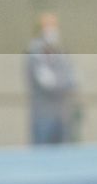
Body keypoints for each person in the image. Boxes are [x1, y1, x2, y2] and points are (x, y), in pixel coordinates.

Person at [26, 13, 81, 145]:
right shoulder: (34, 53)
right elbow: (47, 83)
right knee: (42, 160)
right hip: (43, 117)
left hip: (63, 116)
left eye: (54, 25)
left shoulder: (61, 52)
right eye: (48, 26)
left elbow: (74, 79)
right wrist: (65, 83)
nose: (52, 30)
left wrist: (65, 82)